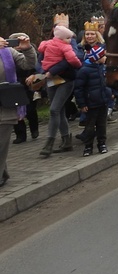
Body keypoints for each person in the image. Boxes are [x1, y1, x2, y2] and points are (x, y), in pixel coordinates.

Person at [37, 20, 83, 157]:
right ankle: (66, 140)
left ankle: (49, 143)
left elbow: (73, 60)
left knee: (54, 110)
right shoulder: (48, 43)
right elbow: (40, 59)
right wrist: (41, 73)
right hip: (51, 80)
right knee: (59, 110)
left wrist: (51, 70)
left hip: (66, 79)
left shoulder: (70, 42)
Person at [0, 33, 37, 187]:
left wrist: (27, 49)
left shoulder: (8, 52)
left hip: (6, 105)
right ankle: (4, 173)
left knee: (1, 143)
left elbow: (28, 64)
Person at [73, 43, 111, 155]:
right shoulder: (84, 71)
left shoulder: (102, 68)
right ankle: (88, 146)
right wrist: (82, 104)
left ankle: (102, 144)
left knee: (102, 125)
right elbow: (79, 89)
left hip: (102, 102)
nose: (105, 57)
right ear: (97, 58)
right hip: (90, 104)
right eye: (103, 56)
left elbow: (106, 83)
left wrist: (109, 94)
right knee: (90, 126)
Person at [11, 32, 40, 143]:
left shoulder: (31, 52)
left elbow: (37, 67)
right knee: (16, 110)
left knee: (30, 109)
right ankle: (20, 134)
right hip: (14, 85)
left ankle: (34, 129)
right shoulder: (9, 54)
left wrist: (34, 76)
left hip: (29, 85)